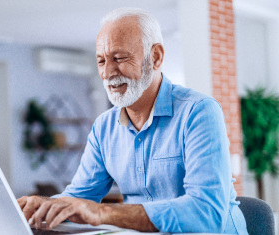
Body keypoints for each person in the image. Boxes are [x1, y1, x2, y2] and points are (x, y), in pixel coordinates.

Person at [17, 7, 248, 234]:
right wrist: (42, 205)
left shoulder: (198, 112)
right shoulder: (103, 128)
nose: (107, 72)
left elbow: (206, 213)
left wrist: (103, 213)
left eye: (119, 57)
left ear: (155, 57)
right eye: (100, 61)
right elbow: (79, 197)